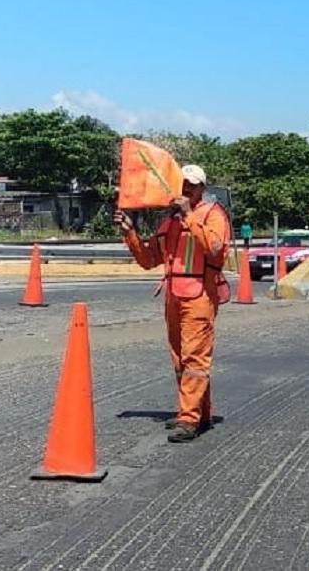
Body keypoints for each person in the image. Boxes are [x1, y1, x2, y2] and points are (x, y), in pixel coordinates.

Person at [114, 164, 230, 443]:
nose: (186, 188)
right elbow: (148, 259)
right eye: (183, 183)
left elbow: (214, 251)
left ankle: (188, 419)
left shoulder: (213, 215)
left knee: (194, 358)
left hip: (199, 295)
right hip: (173, 296)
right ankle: (198, 413)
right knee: (181, 360)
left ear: (203, 188)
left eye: (192, 184)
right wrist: (129, 232)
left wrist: (189, 216)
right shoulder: (168, 222)